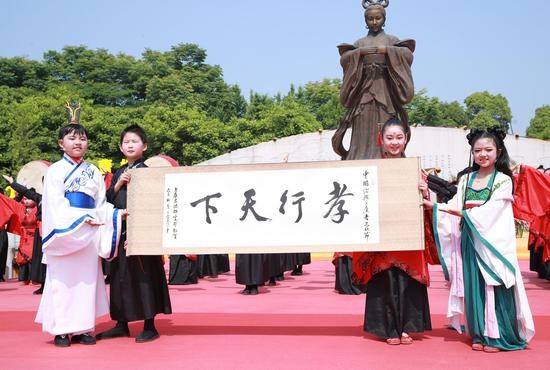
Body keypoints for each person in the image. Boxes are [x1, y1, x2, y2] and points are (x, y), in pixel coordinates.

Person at [423, 127, 535, 352]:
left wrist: (460, 213)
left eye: (488, 150)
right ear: (472, 153)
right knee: (474, 286)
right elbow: (455, 205)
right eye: (477, 150)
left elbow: (492, 212)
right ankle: (480, 333)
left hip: (492, 242)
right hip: (469, 240)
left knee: (494, 285)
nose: (483, 154)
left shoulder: (503, 180)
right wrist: (432, 203)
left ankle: (498, 336)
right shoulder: (466, 179)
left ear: (498, 151)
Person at [35, 105, 124, 347]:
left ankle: (85, 328)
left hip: (89, 232)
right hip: (66, 233)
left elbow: (101, 203)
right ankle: (61, 330)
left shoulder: (93, 170)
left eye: (82, 138)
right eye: (72, 138)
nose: (78, 142)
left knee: (87, 282)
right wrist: (80, 219)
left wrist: (108, 216)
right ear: (60, 143)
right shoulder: (54, 171)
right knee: (62, 282)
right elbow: (54, 204)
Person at [352, 118, 431, 345]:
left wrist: (424, 193)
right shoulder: (371, 169)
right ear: (381, 140)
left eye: (399, 137)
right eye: (390, 138)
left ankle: (407, 327)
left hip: (408, 238)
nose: (394, 142)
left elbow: (425, 207)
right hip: (383, 236)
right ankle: (388, 328)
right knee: (385, 282)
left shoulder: (417, 170)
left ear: (406, 139)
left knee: (407, 282)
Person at [97, 124, 172, 343]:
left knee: (144, 277)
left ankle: (150, 325)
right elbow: (107, 202)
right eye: (126, 142)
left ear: (144, 146)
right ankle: (121, 323)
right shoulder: (119, 172)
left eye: (135, 141)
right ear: (121, 147)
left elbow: (152, 207)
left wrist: (140, 236)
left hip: (140, 235)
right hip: (119, 233)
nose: (130, 145)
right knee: (120, 279)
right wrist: (119, 183)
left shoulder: (148, 172)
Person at [332, 0, 415, 160]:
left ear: (384, 19)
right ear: (365, 20)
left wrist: (387, 51)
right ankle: (358, 156)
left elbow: (407, 53)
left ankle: (388, 156)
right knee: (362, 122)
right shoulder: (359, 43)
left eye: (378, 18)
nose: (374, 22)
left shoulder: (392, 40)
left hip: (385, 93)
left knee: (386, 126)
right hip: (364, 92)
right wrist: (360, 53)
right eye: (370, 19)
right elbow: (345, 58)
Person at [2, 175, 46, 293]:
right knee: (40, 258)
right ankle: (42, 284)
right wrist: (12, 183)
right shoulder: (40, 198)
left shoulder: (60, 198)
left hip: (52, 231)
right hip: (40, 232)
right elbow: (26, 191)